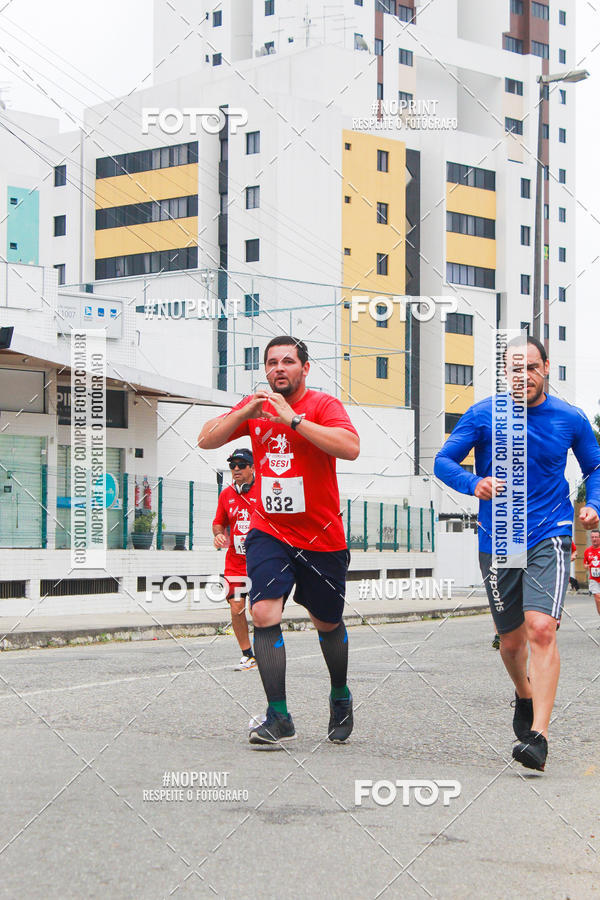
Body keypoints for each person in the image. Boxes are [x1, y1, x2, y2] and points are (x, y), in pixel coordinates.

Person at [434, 336, 600, 771]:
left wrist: (593, 504)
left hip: (550, 532)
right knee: (511, 642)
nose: (522, 376)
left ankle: (539, 737)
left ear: (546, 367)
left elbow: (595, 466)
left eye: (530, 367)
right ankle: (523, 694)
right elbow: (443, 461)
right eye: (513, 369)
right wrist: (475, 484)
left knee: (541, 627)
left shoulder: (569, 417)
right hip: (500, 536)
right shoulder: (484, 413)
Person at [199, 336, 360, 747]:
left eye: (288, 361)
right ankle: (279, 715)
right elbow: (207, 438)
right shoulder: (257, 407)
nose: (278, 369)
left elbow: (351, 447)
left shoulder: (322, 406)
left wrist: (292, 420)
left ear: (305, 368)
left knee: (327, 621)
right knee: (264, 611)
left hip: (322, 537)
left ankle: (339, 695)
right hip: (270, 531)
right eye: (272, 363)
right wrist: (247, 413)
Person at [212, 447, 258, 671]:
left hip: (261, 562)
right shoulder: (226, 495)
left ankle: (266, 649)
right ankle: (247, 654)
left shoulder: (265, 491)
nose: (236, 469)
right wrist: (219, 534)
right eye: (232, 466)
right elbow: (218, 522)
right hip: (236, 563)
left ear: (252, 467)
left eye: (241, 465)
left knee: (258, 610)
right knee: (236, 606)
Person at [583, 530, 600, 617]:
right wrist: (586, 566)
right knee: (597, 598)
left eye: (596, 537)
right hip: (593, 578)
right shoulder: (587, 551)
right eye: (592, 537)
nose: (594, 539)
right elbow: (584, 564)